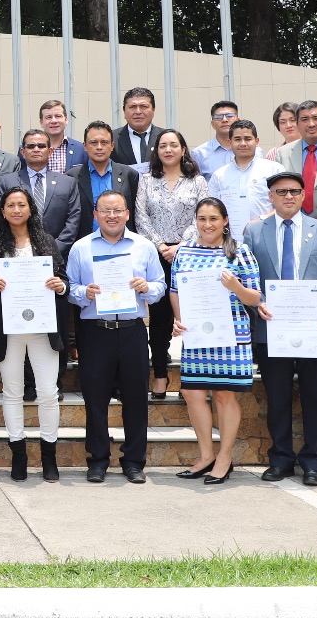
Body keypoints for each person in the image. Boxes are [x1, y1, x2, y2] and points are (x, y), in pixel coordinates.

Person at [250, 171, 317, 486]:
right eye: (281, 192)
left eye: (294, 191)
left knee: (316, 399)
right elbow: (248, 279)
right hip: (272, 328)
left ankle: (315, 461)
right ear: (271, 197)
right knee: (277, 398)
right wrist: (258, 303)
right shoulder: (253, 231)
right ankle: (280, 459)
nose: (288, 196)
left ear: (304, 194)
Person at [66, 190, 165, 482]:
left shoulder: (144, 247)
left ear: (127, 214)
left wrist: (147, 287)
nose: (111, 216)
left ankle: (134, 461)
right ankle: (97, 460)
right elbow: (69, 288)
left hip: (132, 330)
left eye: (117, 211)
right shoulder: (81, 248)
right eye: (105, 211)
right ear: (95, 214)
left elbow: (160, 285)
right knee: (95, 399)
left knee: (136, 398)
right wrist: (85, 292)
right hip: (96, 332)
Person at [170, 198, 262, 485]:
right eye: (202, 219)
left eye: (213, 219)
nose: (207, 224)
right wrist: (179, 319)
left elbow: (256, 298)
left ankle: (224, 458)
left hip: (231, 335)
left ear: (225, 222)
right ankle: (206, 455)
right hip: (197, 333)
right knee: (193, 394)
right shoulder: (184, 251)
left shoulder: (240, 252)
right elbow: (175, 290)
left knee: (224, 395)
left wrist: (235, 286)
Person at [0, 185, 66, 481]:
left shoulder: (47, 243)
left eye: (22, 204)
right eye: (11, 206)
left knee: (48, 393)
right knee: (12, 393)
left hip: (43, 329)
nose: (16, 210)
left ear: (31, 209)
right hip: (10, 331)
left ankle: (49, 456)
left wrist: (60, 286)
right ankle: (18, 453)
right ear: (2, 212)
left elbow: (64, 281)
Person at [135, 129, 210, 399]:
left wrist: (180, 247)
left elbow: (204, 216)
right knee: (159, 318)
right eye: (163, 145)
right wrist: (161, 247)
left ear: (182, 149)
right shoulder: (146, 180)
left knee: (189, 316)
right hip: (156, 255)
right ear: (156, 151)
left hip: (190, 254)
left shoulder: (197, 181)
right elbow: (141, 217)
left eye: (173, 145)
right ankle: (160, 375)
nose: (168, 150)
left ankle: (192, 378)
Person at [0, 130, 83, 249]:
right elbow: (2, 219)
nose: (36, 149)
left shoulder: (68, 182)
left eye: (41, 146)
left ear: (50, 151)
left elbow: (73, 221)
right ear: (22, 152)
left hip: (58, 256)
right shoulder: (7, 182)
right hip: (18, 255)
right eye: (31, 146)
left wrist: (54, 250)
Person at [205, 119, 281, 244]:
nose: (243, 143)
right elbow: (211, 210)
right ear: (230, 142)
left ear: (257, 141)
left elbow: (283, 204)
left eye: (248, 138)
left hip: (267, 237)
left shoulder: (274, 169)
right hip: (229, 242)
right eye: (237, 139)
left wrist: (261, 220)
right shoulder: (219, 175)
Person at [69, 121, 141, 241]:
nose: (99, 147)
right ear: (85, 146)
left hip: (123, 244)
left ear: (112, 145)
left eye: (104, 142)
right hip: (86, 245)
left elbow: (136, 214)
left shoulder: (129, 174)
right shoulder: (72, 177)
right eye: (93, 143)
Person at [111, 87, 164, 168]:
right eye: (132, 107)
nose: (138, 112)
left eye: (144, 106)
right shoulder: (111, 138)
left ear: (153, 110)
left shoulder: (165, 137)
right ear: (124, 111)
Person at [191, 100, 238, 177]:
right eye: (218, 117)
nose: (224, 120)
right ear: (212, 124)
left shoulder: (253, 151)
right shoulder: (199, 153)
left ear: (238, 120)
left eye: (229, 116)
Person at [39, 99, 85, 171]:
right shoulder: (28, 150)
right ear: (41, 122)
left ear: (66, 120)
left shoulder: (81, 149)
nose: (54, 121)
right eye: (49, 117)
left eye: (58, 116)